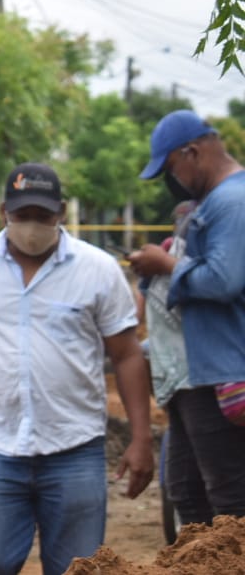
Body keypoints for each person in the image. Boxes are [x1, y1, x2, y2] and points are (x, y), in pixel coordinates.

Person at [0, 162, 154, 575]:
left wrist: (142, 438)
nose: (31, 226)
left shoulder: (98, 270)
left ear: (61, 212)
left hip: (75, 448)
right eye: (22, 215)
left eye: (42, 216)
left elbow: (126, 355)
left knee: (77, 568)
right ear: (3, 213)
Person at [132, 109, 245, 520]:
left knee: (228, 498)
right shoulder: (215, 202)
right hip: (195, 373)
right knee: (186, 489)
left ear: (192, 153)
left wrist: (165, 267)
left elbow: (222, 280)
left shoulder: (232, 202)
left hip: (222, 373)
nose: (172, 181)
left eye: (170, 169)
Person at [129, 199, 211, 526]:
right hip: (180, 384)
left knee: (220, 494)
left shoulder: (208, 264)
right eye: (180, 221)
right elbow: (139, 314)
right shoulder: (164, 257)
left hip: (208, 381)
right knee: (184, 489)